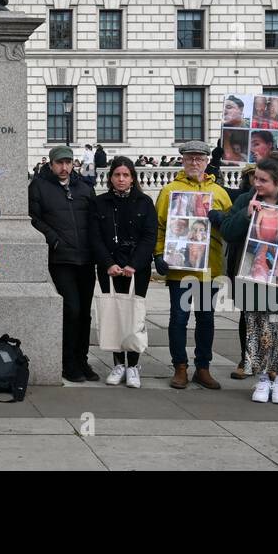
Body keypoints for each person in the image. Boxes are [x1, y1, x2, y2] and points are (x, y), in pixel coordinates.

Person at [218, 154, 278, 402]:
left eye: (263, 180)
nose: (257, 184)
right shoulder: (245, 200)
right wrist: (245, 215)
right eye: (256, 179)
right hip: (255, 278)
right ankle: (262, 379)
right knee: (257, 331)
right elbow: (228, 232)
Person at [156, 141, 232, 390]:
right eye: (190, 158)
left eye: (199, 158)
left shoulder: (219, 193)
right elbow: (159, 227)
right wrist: (158, 254)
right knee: (178, 319)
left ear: (207, 161)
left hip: (209, 268)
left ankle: (203, 367)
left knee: (206, 319)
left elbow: (231, 228)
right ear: (182, 161)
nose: (194, 163)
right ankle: (180, 366)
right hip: (180, 269)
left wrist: (221, 220)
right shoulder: (169, 191)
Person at [30, 144, 100, 382]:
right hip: (61, 258)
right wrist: (54, 240)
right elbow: (33, 218)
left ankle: (82, 360)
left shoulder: (84, 187)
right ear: (51, 165)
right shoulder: (39, 186)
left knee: (85, 314)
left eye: (68, 162)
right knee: (72, 309)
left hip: (86, 258)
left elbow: (94, 220)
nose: (64, 167)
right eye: (59, 163)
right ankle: (67, 362)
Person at [95, 156, 156, 388]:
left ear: (132, 178)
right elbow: (95, 236)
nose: (121, 179)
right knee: (114, 314)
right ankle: (118, 363)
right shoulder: (100, 203)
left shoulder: (144, 202)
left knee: (134, 316)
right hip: (109, 267)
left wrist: (135, 264)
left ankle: (133, 365)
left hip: (135, 268)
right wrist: (108, 263)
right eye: (117, 175)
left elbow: (149, 236)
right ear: (110, 178)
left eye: (126, 175)